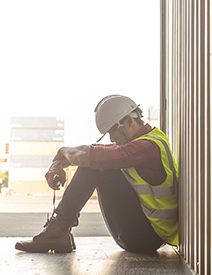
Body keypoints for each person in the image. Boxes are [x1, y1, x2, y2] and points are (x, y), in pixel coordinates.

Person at [15, 95, 179, 254]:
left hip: (146, 237)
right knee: (97, 161)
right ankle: (59, 231)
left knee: (95, 164)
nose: (112, 138)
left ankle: (58, 231)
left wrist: (62, 153)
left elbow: (94, 156)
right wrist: (60, 160)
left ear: (129, 121)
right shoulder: (148, 141)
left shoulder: (148, 146)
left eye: (113, 131)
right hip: (147, 232)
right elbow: (100, 153)